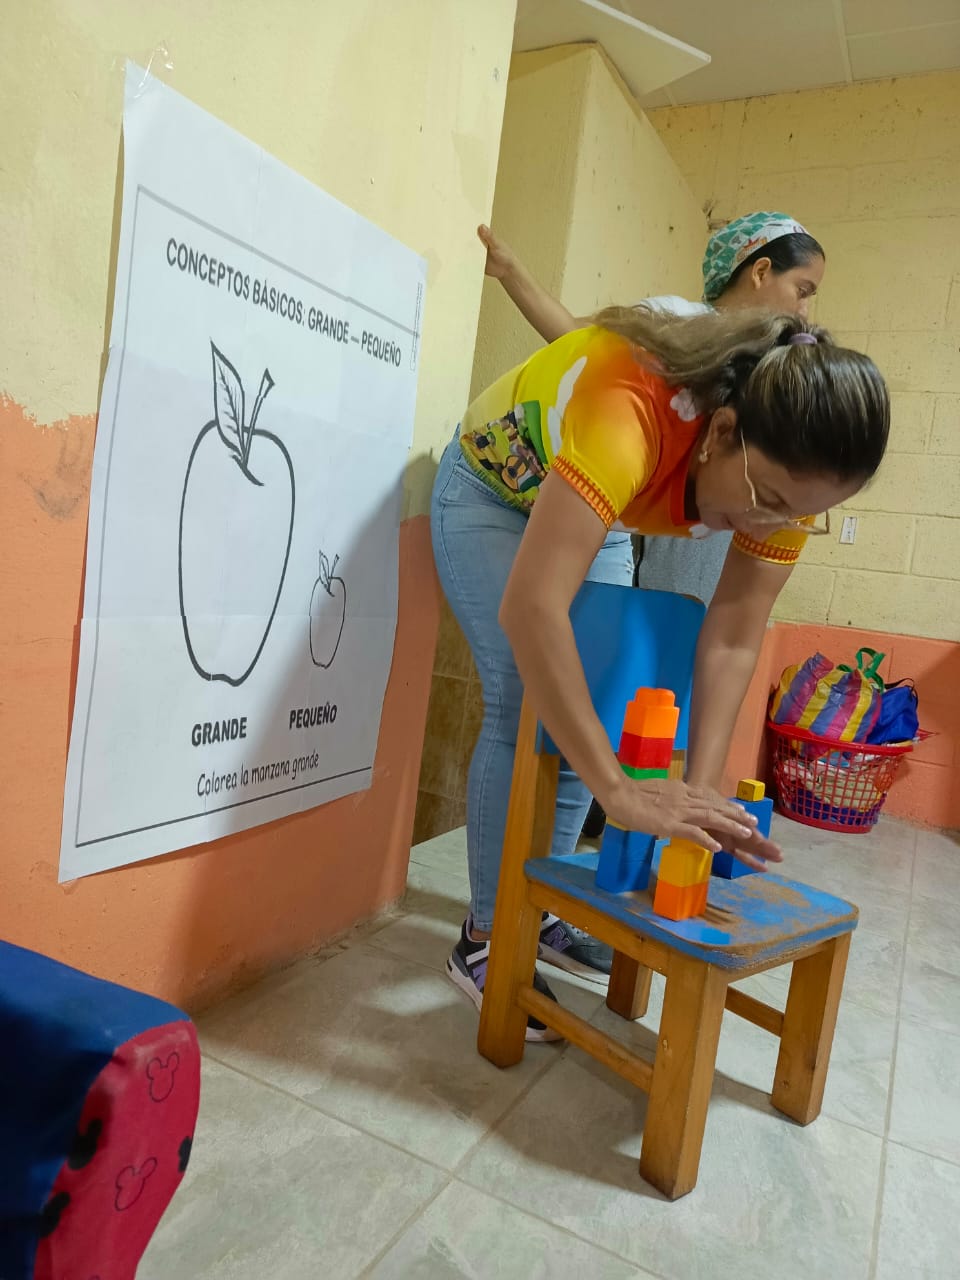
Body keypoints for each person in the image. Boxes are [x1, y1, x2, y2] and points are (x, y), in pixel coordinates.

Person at [430, 304, 889, 1039]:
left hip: (600, 505)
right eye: (769, 501)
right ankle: (486, 934)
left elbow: (733, 637)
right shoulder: (630, 411)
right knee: (527, 701)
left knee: (594, 710)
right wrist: (619, 793)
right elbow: (532, 609)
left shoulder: (786, 490)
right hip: (495, 488)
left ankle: (538, 912)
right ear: (723, 431)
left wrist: (699, 804)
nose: (772, 527)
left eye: (803, 515)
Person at [478, 212, 826, 604]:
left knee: (690, 617)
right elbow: (573, 338)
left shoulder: (779, 366)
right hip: (622, 505)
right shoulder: (679, 321)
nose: (804, 311)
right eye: (802, 290)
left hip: (712, 522)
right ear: (761, 272)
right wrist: (511, 272)